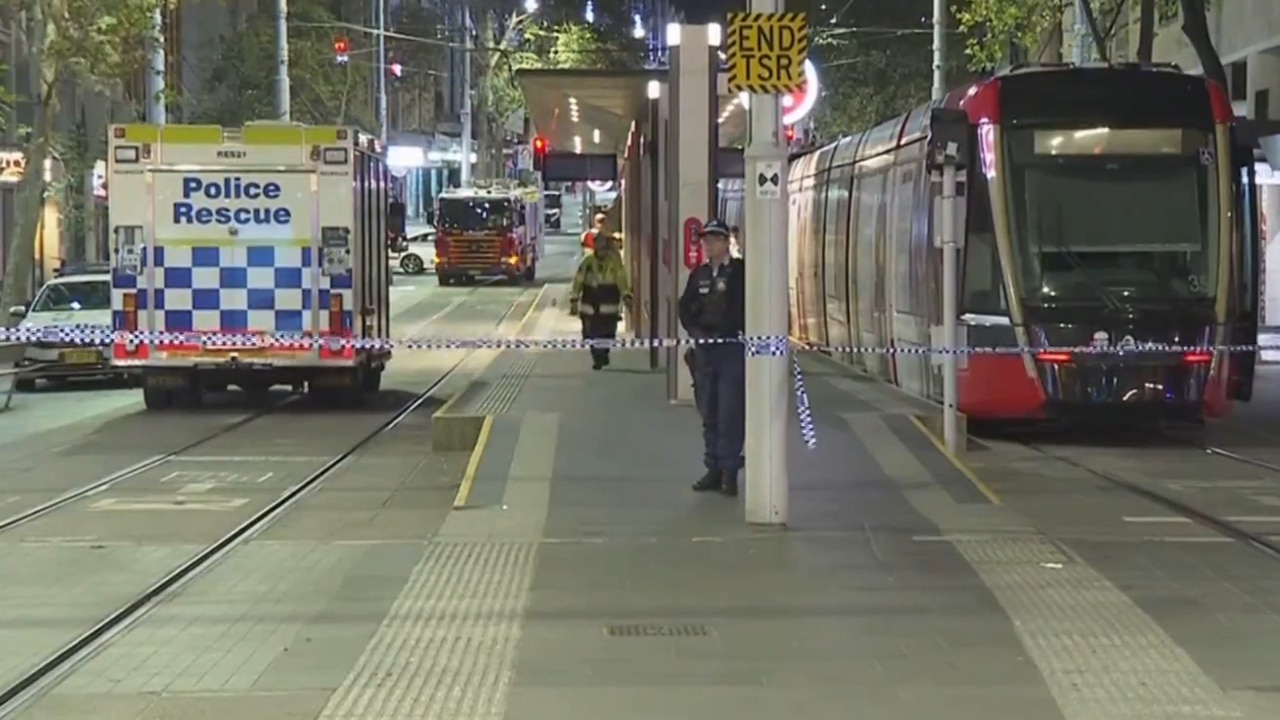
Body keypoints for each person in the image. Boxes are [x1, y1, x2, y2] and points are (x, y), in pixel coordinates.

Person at [678, 219, 746, 497]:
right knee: (709, 410)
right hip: (705, 351)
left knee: (730, 410)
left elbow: (744, 307)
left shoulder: (741, 273)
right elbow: (685, 307)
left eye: (713, 240)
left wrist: (729, 331)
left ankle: (730, 471)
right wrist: (696, 332)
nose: (707, 245)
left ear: (725, 242)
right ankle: (713, 468)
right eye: (705, 240)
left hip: (731, 349)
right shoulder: (700, 274)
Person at [569, 233, 632, 370]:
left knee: (608, 332)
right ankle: (597, 357)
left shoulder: (614, 262)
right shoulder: (588, 261)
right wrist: (574, 299)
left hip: (609, 301)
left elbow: (621, 278)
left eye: (603, 245)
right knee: (590, 332)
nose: (601, 248)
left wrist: (626, 295)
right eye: (598, 245)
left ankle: (603, 354)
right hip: (590, 301)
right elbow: (578, 280)